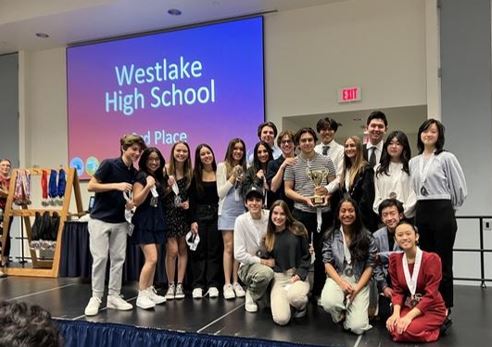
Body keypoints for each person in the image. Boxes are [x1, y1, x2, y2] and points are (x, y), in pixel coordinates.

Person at [409, 118, 467, 311]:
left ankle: (445, 307)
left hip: (442, 210)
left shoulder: (446, 158)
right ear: (420, 134)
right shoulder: (413, 162)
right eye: (425, 131)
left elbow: (459, 188)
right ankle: (428, 304)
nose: (429, 134)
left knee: (443, 261)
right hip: (422, 210)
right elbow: (413, 190)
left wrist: (450, 209)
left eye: (433, 131)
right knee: (425, 261)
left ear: (439, 135)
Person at [84, 134, 146, 316]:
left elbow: (133, 198)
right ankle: (96, 297)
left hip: (120, 222)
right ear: (124, 148)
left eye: (139, 150)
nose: (136, 153)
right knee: (100, 259)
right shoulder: (108, 164)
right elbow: (91, 186)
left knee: (118, 260)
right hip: (100, 220)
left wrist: (131, 204)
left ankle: (113, 296)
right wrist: (116, 186)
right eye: (134, 149)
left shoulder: (133, 173)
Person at [284, 127, 337, 300]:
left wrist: (326, 196)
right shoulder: (293, 163)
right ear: (298, 144)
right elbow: (287, 190)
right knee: (301, 252)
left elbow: (333, 185)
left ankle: (319, 292)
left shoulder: (326, 161)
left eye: (310, 140)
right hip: (301, 213)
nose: (307, 143)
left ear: (315, 141)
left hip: (324, 213)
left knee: (323, 252)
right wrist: (305, 200)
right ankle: (300, 290)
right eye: (303, 140)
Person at [320, 197, 377, 335]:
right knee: (328, 303)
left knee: (357, 328)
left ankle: (349, 314)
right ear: (338, 214)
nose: (347, 214)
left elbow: (370, 266)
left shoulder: (367, 237)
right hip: (338, 278)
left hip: (359, 281)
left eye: (351, 211)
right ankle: (340, 315)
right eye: (343, 211)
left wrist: (356, 289)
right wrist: (341, 283)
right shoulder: (330, 236)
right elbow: (327, 263)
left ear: (356, 213)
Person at [386, 221, 447, 342]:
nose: (404, 238)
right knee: (394, 327)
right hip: (409, 305)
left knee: (405, 331)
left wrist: (408, 317)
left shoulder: (431, 259)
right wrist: (396, 314)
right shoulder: (394, 260)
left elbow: (431, 294)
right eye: (400, 235)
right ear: (395, 239)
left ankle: (439, 329)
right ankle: (420, 328)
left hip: (431, 308)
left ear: (416, 236)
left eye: (408, 234)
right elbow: (397, 291)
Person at [130, 147, 168, 309]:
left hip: (156, 222)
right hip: (144, 222)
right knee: (151, 258)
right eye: (151, 159)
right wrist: (147, 186)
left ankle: (149, 290)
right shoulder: (141, 176)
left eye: (157, 159)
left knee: (154, 259)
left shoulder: (157, 177)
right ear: (144, 160)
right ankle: (141, 294)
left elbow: (158, 198)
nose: (154, 162)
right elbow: (136, 200)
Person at [264, 200, 311, 325]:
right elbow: (266, 261)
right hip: (279, 279)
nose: (278, 217)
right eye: (275, 213)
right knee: (281, 319)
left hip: (296, 277)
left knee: (295, 297)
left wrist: (300, 275)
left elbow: (306, 256)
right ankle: (287, 305)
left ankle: (300, 306)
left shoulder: (298, 229)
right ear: (271, 214)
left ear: (287, 215)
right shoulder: (267, 237)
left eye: (282, 214)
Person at [189, 144, 222, 299]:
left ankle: (213, 284)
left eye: (208, 152)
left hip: (217, 215)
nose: (206, 156)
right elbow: (192, 201)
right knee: (199, 251)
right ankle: (198, 284)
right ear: (199, 157)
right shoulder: (195, 175)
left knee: (214, 251)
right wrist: (193, 220)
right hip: (200, 216)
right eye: (203, 154)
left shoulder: (219, 173)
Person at [234, 185, 274, 312]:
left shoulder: (270, 217)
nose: (254, 203)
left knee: (271, 304)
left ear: (263, 202)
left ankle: (263, 293)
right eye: (251, 200)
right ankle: (251, 293)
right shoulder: (240, 221)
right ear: (246, 203)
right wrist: (262, 262)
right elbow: (238, 254)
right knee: (266, 274)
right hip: (248, 266)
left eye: (258, 200)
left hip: (271, 262)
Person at [217, 138, 248, 299]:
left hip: (241, 211)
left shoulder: (245, 167)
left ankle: (237, 282)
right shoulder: (222, 166)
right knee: (228, 247)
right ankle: (227, 283)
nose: (238, 151)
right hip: (227, 211)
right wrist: (232, 177)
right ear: (230, 150)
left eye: (241, 149)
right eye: (235, 148)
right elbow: (220, 193)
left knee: (238, 248)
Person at [163, 141, 193, 300]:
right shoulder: (165, 170)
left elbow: (193, 195)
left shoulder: (190, 173)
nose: (181, 154)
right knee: (172, 251)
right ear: (173, 152)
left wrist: (189, 203)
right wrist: (168, 187)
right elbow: (158, 194)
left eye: (184, 151)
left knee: (182, 250)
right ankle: (170, 285)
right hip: (168, 214)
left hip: (184, 215)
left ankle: (179, 284)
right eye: (178, 150)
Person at [372, 198, 404, 320]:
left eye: (393, 213)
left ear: (400, 215)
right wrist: (384, 287)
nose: (389, 218)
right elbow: (375, 264)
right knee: (385, 316)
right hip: (385, 281)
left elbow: (405, 255)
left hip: (404, 281)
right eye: (385, 215)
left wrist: (381, 255)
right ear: (381, 218)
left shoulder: (409, 232)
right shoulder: (376, 236)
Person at [373, 131, 417, 219]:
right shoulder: (378, 169)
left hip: (405, 217)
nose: (393, 146)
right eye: (391, 143)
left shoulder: (411, 167)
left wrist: (401, 213)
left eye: (398, 144)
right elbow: (377, 195)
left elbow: (414, 194)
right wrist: (385, 213)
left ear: (404, 146)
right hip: (385, 218)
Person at [341, 136, 378, 232]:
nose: (349, 148)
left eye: (352, 145)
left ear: (359, 148)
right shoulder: (346, 169)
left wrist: (355, 215)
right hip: (348, 217)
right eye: (347, 146)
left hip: (362, 219)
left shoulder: (366, 169)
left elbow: (367, 199)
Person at [266, 130, 296, 212]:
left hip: (298, 208)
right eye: (283, 142)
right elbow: (273, 188)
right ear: (279, 145)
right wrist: (282, 166)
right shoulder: (272, 164)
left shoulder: (301, 161)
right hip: (280, 208)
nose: (286, 144)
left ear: (294, 144)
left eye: (289, 141)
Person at [242, 141, 275, 208]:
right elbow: (246, 192)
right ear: (256, 155)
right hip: (255, 208)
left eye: (265, 151)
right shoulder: (250, 171)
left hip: (273, 209)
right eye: (259, 152)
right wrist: (257, 179)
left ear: (269, 152)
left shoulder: (275, 168)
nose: (262, 154)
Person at [0, 158, 12, 271]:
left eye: (8, 165)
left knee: (5, 234)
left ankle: (5, 257)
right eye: (3, 165)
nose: (5, 167)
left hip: (7, 210)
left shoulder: (12, 180)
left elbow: (14, 195)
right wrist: (8, 194)